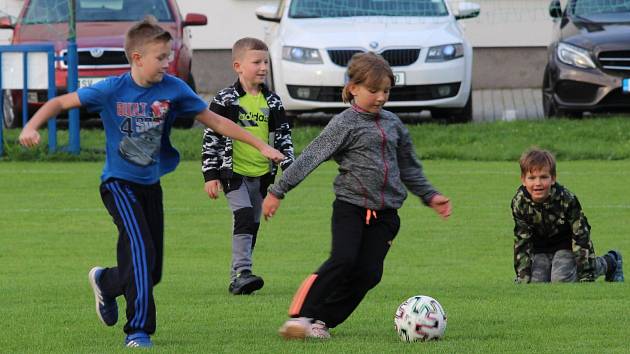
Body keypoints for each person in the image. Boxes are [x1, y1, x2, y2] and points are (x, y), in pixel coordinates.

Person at [18, 17, 284, 348]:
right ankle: (138, 331)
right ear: (137, 58)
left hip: (149, 185)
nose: (167, 62)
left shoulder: (173, 88)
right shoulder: (112, 88)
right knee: (141, 252)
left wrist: (260, 145)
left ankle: (107, 280)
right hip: (118, 184)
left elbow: (216, 120)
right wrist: (31, 126)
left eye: (169, 55)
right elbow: (60, 102)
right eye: (160, 57)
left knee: (152, 270)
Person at [262, 52, 452, 340]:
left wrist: (431, 195)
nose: (380, 98)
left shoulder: (393, 124)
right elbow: (310, 157)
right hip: (350, 208)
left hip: (386, 216)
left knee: (369, 274)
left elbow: (409, 168)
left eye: (386, 91)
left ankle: (322, 321)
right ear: (353, 88)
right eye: (373, 91)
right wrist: (278, 191)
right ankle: (300, 317)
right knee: (342, 260)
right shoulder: (343, 124)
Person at [201, 37, 294, 295]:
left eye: (265, 61)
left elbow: (284, 136)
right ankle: (243, 271)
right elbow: (211, 139)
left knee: (251, 224)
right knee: (242, 216)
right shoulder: (226, 99)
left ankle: (238, 277)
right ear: (238, 66)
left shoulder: (273, 101)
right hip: (233, 174)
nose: (263, 67)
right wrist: (210, 174)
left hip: (262, 176)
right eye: (256, 62)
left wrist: (289, 164)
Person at [511, 148, 623, 284]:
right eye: (532, 178)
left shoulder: (566, 199)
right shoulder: (519, 202)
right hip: (539, 249)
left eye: (544, 177)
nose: (538, 183)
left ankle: (611, 261)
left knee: (561, 280)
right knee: (535, 283)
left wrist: (586, 274)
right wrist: (522, 277)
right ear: (523, 180)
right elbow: (522, 240)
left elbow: (581, 235)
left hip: (565, 246)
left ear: (553, 178)